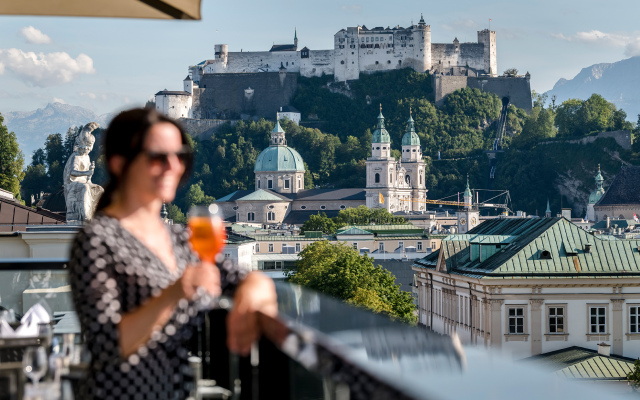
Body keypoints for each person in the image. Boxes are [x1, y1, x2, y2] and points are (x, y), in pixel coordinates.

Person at [68, 108, 277, 399]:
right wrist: (175, 292)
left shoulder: (178, 238)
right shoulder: (97, 240)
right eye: (157, 157)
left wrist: (251, 297)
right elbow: (108, 345)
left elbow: (249, 279)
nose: (172, 166)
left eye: (180, 155)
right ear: (119, 164)